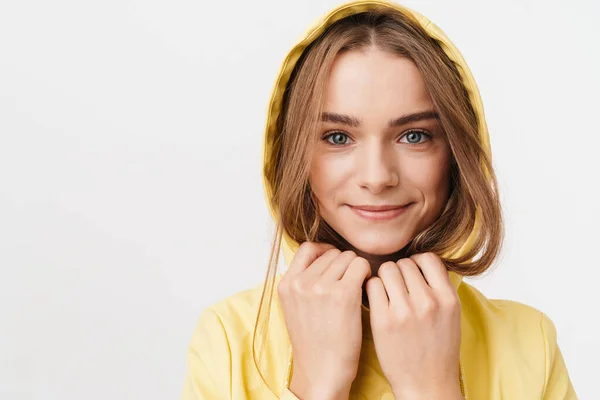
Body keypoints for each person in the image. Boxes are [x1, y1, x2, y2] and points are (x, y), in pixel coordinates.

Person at [181, 1, 577, 398]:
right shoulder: (229, 339)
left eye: (414, 135)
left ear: (456, 153)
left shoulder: (528, 342)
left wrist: (430, 388)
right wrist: (319, 386)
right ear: (294, 152)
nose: (377, 177)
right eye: (338, 137)